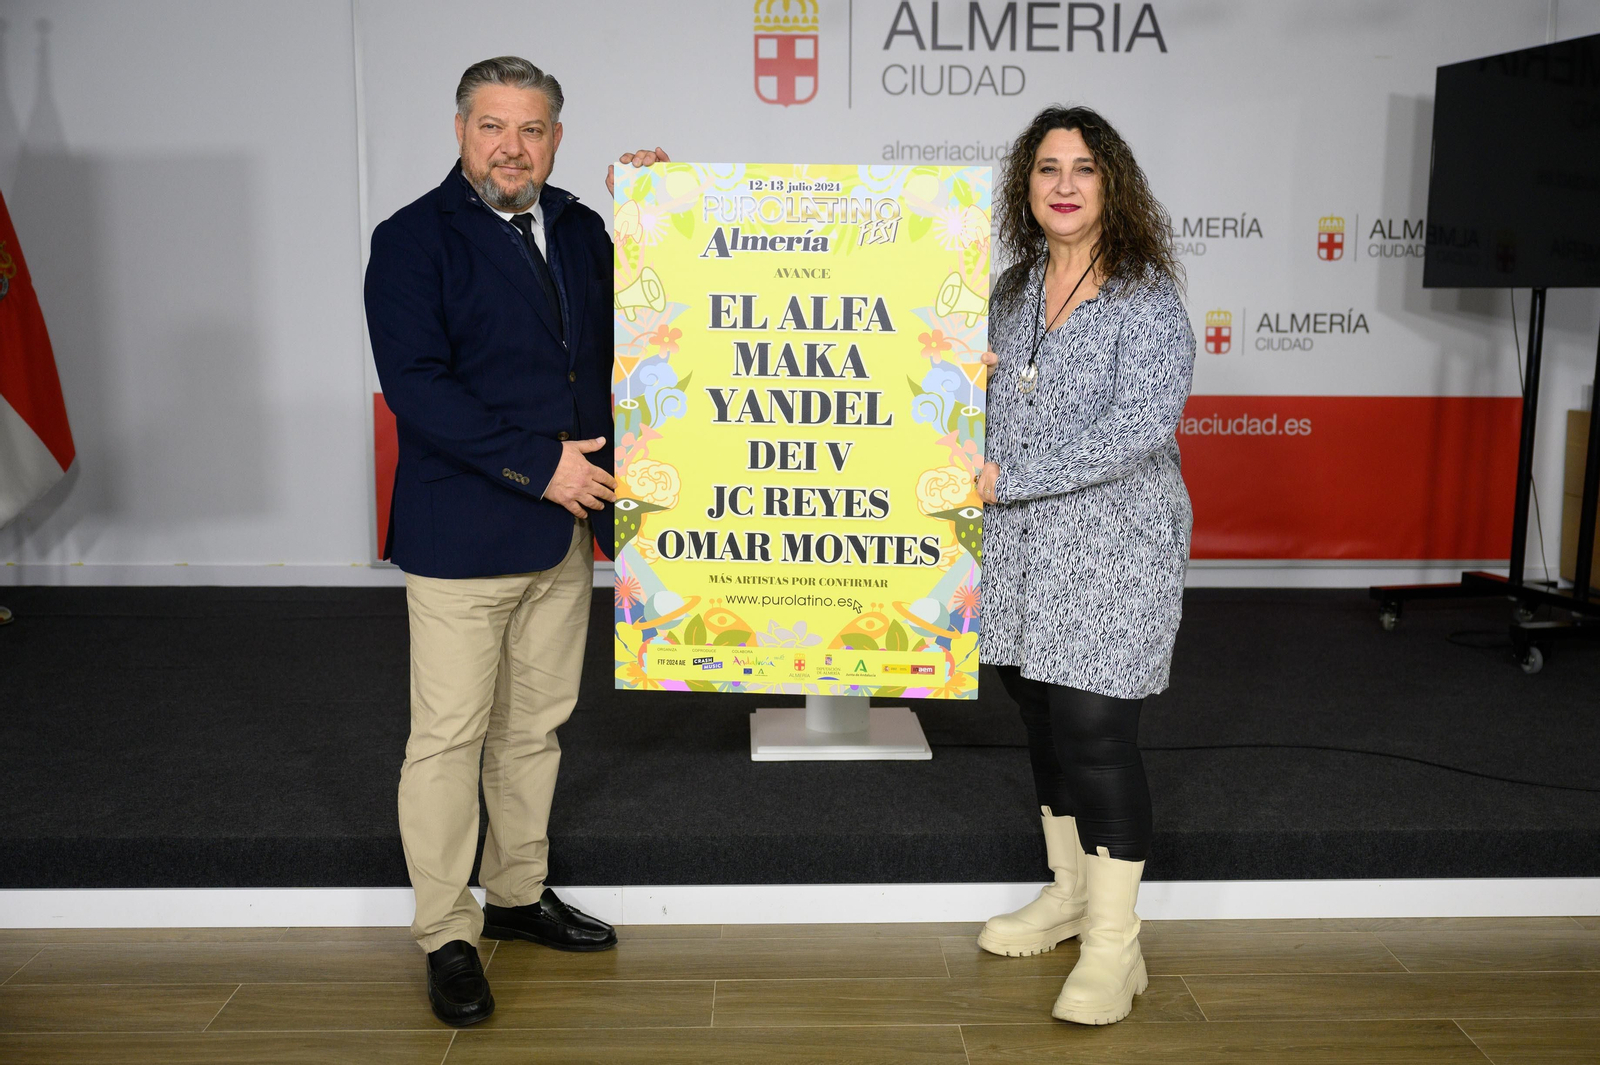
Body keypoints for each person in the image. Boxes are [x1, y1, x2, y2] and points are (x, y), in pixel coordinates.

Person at [363, 55, 666, 1026]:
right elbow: (420, 390)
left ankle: (517, 894)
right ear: (460, 131)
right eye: (492, 126)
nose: (511, 146)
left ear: (555, 140)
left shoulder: (581, 226)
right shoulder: (411, 240)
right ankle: (448, 932)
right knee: (448, 738)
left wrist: (658, 216)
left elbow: (650, 328)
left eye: (529, 129)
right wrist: (543, 467)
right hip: (467, 529)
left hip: (563, 534)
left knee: (532, 729)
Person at [973, 105, 1195, 1026]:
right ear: (1026, 188)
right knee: (1042, 718)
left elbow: (1134, 433)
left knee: (1099, 734)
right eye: (1047, 167)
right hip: (1022, 551)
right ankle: (1067, 894)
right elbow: (974, 408)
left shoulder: (1147, 298)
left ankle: (1115, 946)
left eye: (1085, 168)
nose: (1064, 183)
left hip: (1113, 548)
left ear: (1114, 186)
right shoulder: (1010, 291)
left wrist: (1004, 476)